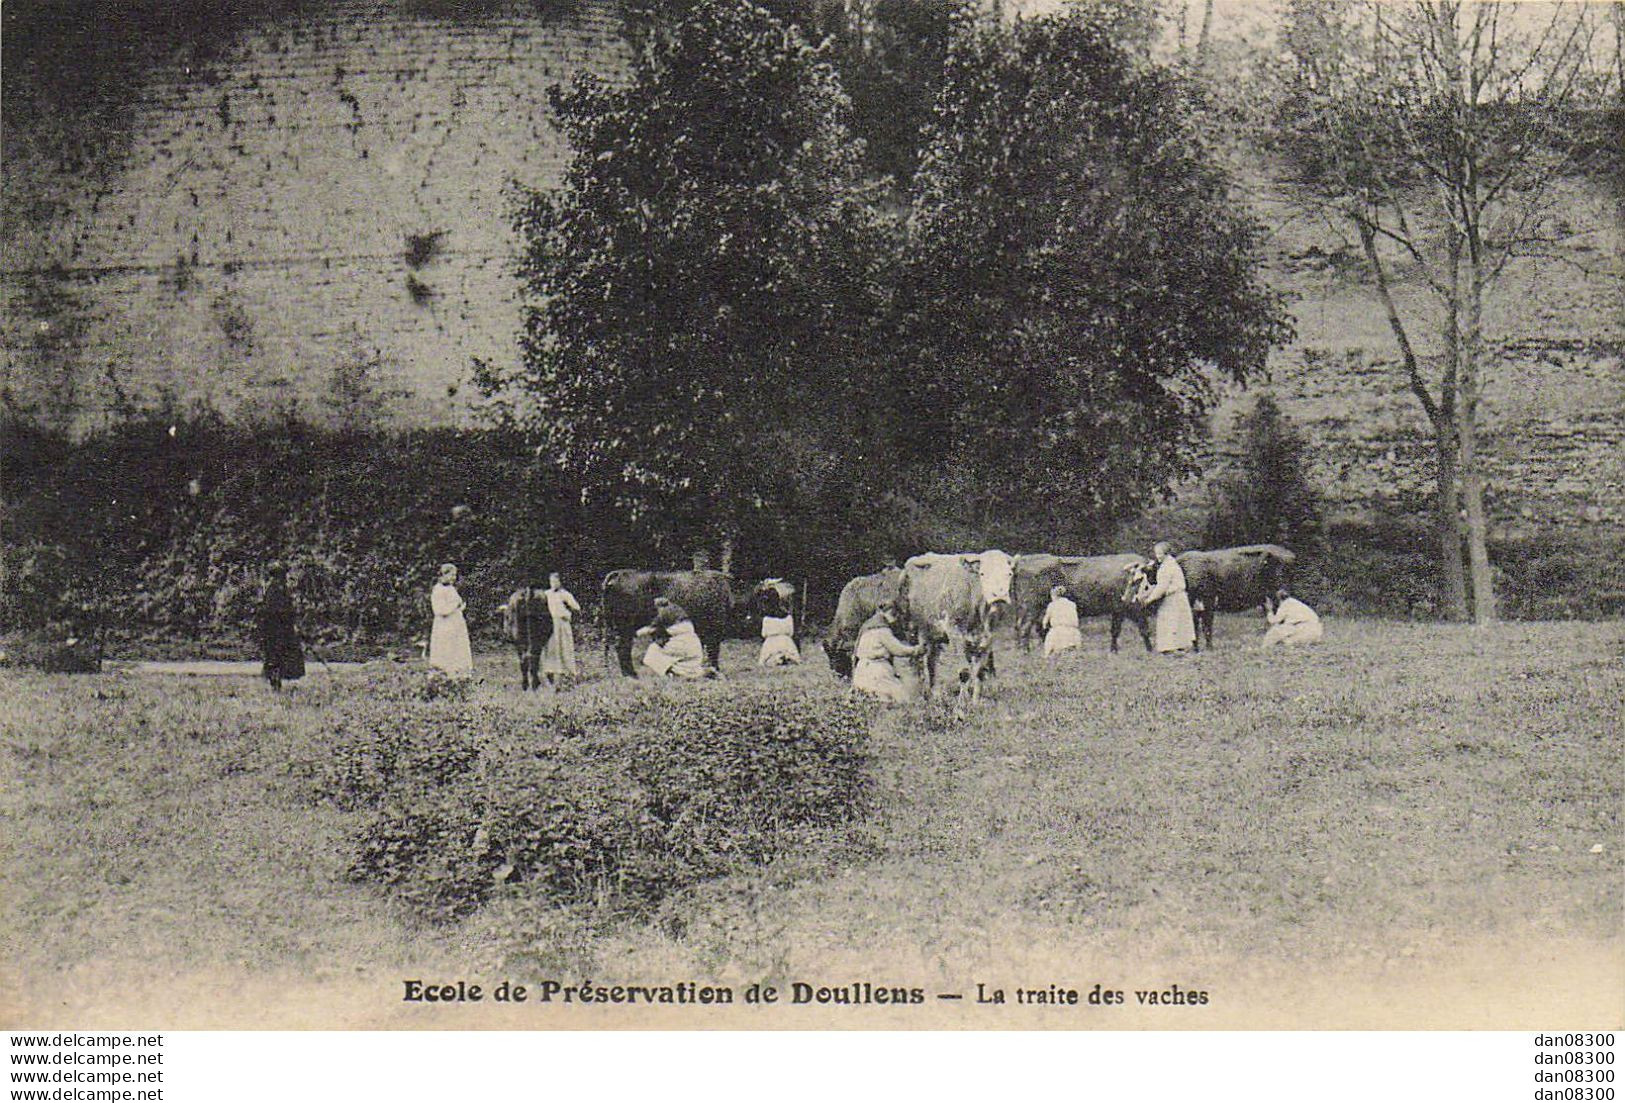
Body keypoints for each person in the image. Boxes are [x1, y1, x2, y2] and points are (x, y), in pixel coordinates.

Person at [852, 601, 923, 703]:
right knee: (902, 698)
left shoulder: (867, 628)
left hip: (862, 671)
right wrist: (916, 650)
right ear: (891, 613)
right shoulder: (882, 630)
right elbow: (898, 650)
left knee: (869, 700)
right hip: (876, 672)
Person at [1136, 541, 1196, 655]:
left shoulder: (1167, 567)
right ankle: (1181, 646)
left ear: (1166, 553)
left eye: (1159, 553)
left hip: (1172, 597)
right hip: (1178, 597)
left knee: (1169, 621)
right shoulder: (1171, 564)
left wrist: (1149, 600)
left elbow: (1162, 587)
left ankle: (1170, 648)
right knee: (1179, 621)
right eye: (1156, 553)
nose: (1157, 556)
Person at [257, 562, 305, 691]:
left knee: (279, 657)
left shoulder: (276, 589)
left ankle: (277, 683)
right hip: (277, 631)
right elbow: (278, 612)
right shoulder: (275, 590)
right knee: (276, 657)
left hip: (279, 630)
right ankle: (275, 684)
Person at [638, 596, 706, 679]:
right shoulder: (680, 611)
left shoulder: (664, 612)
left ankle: (667, 673)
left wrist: (636, 633)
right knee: (689, 664)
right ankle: (690, 674)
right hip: (694, 644)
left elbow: (651, 629)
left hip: (680, 643)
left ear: (659, 607)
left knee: (653, 650)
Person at [428, 562, 473, 676]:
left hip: (455, 623)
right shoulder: (438, 590)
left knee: (458, 647)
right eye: (451, 575)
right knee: (446, 647)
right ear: (443, 575)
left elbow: (456, 604)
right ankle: (445, 670)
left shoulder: (451, 588)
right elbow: (439, 610)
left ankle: (459, 671)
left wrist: (461, 607)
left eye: (455, 575)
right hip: (445, 625)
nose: (454, 578)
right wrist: (455, 606)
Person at [542, 571, 581, 687]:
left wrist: (567, 613)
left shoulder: (565, 594)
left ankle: (570, 675)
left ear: (560, 582)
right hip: (550, 625)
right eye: (551, 581)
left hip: (562, 625)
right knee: (551, 650)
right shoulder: (546, 594)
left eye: (555, 581)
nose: (553, 584)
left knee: (565, 648)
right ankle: (551, 673)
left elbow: (577, 607)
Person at [757, 585, 802, 667]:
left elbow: (764, 634)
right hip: (786, 642)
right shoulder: (787, 616)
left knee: (767, 658)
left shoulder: (767, 619)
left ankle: (776, 659)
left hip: (771, 643)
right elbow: (791, 632)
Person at [1041, 584, 1082, 657]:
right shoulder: (1072, 604)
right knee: (1070, 653)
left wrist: (1044, 626)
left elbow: (1045, 621)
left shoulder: (1052, 605)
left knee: (1050, 651)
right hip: (1073, 631)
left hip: (1058, 631)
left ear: (1054, 595)